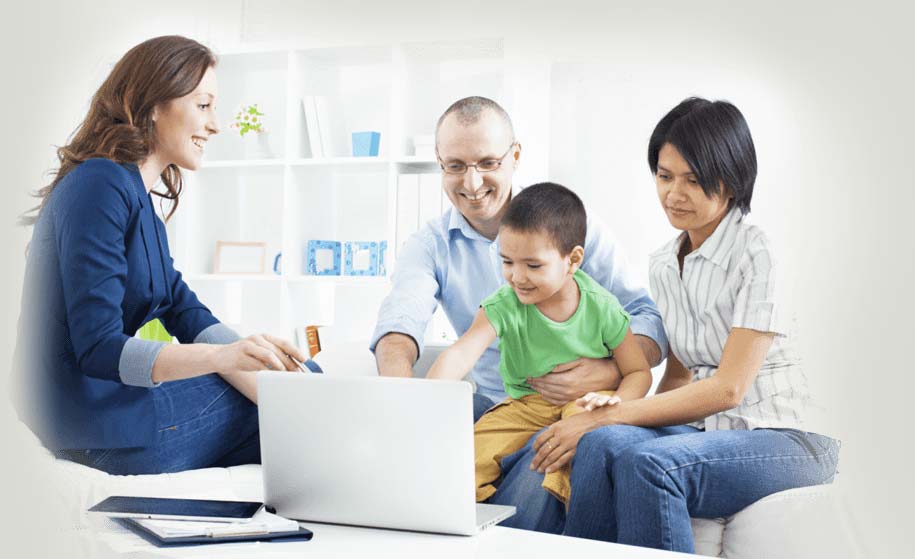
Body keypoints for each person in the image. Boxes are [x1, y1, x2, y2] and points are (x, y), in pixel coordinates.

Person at [523, 97, 839, 552]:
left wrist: (613, 414)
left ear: (730, 179)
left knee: (650, 463)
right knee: (600, 446)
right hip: (710, 432)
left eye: (694, 180)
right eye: (665, 176)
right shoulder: (664, 263)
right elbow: (678, 376)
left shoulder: (759, 251)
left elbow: (728, 389)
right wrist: (608, 420)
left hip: (789, 436)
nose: (674, 194)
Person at [12, 35, 307, 476]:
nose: (215, 125)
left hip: (111, 417)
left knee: (302, 387)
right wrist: (226, 361)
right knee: (288, 409)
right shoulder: (99, 184)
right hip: (89, 427)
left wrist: (262, 358)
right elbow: (99, 349)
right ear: (153, 104)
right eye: (204, 105)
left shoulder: (137, 198)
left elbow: (184, 310)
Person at [370, 96, 667, 530]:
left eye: (487, 162)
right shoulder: (435, 247)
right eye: (454, 166)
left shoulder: (569, 224)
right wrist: (411, 407)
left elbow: (644, 315)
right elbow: (402, 328)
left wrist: (607, 374)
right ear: (439, 163)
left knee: (555, 454)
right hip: (503, 402)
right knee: (448, 449)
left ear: (515, 157)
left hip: (581, 401)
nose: (471, 183)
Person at [426, 182, 652, 505]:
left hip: (585, 403)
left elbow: (638, 372)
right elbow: (463, 351)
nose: (517, 277)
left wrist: (612, 408)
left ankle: (561, 502)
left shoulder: (603, 307)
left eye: (533, 266)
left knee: (570, 449)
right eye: (507, 262)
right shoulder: (505, 303)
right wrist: (421, 399)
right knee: (464, 461)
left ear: (572, 260)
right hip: (525, 406)